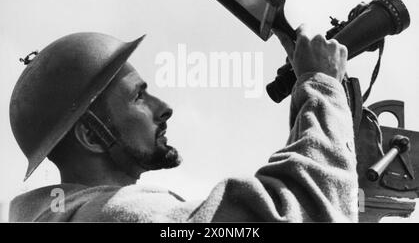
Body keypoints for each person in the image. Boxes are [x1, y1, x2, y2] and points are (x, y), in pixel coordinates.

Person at [8, 25, 358, 222]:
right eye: (138, 97)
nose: (164, 108)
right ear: (90, 135)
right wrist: (321, 83)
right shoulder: (116, 215)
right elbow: (304, 213)